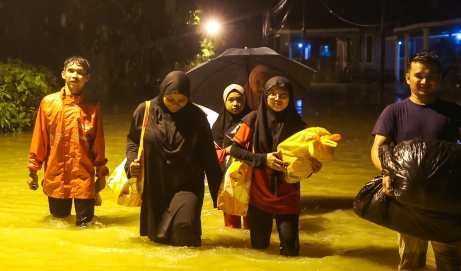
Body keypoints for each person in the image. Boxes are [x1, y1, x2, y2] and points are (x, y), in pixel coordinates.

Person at [370, 50, 461, 271]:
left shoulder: (453, 112)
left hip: (447, 198)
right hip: (407, 199)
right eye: (418, 75)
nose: (424, 81)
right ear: (407, 77)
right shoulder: (394, 112)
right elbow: (378, 147)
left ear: (439, 78)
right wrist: (386, 172)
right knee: (411, 270)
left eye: (430, 76)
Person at [126, 71, 223, 247]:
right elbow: (132, 140)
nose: (175, 105)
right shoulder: (145, 110)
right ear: (162, 92)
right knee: (159, 243)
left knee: (184, 228)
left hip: (188, 183)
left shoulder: (197, 117)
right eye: (170, 100)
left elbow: (209, 156)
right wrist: (130, 162)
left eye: (181, 101)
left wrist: (220, 194)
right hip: (157, 185)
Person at [228, 76, 320, 256]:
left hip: (288, 196)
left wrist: (311, 168)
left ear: (290, 97)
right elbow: (234, 149)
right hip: (259, 194)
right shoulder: (253, 120)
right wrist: (264, 160)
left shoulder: (299, 127)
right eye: (272, 94)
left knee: (290, 251)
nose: (277, 98)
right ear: (265, 96)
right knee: (259, 249)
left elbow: (302, 165)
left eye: (283, 94)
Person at [27, 56, 108, 227]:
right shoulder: (48, 104)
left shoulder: (93, 108)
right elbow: (39, 140)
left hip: (83, 178)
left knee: (86, 228)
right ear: (63, 74)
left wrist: (101, 174)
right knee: (59, 225)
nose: (74, 76)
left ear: (87, 78)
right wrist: (33, 170)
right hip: (56, 176)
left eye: (80, 72)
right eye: (71, 71)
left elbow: (98, 145)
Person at [211, 84, 251, 229]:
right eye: (231, 100)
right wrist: (228, 151)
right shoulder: (217, 127)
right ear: (224, 101)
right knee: (231, 226)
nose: (236, 104)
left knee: (251, 221)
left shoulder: (254, 121)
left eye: (240, 99)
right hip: (227, 179)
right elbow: (211, 156)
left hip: (250, 178)